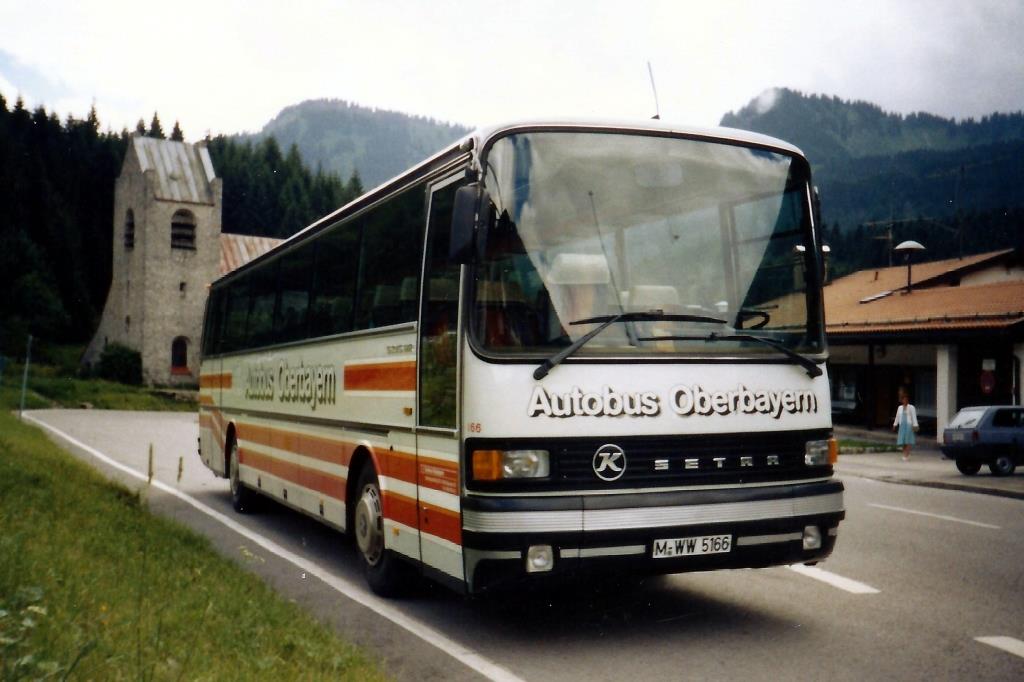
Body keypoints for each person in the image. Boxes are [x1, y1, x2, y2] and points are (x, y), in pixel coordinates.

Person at [892, 390, 919, 461]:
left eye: (906, 399)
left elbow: (914, 417)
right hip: (902, 426)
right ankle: (904, 453)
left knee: (908, 440)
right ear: (902, 400)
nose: (905, 400)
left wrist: (915, 425)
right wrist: (895, 425)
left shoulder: (911, 407)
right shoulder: (899, 408)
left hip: (909, 426)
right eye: (903, 399)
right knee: (903, 441)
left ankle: (906, 455)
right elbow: (897, 417)